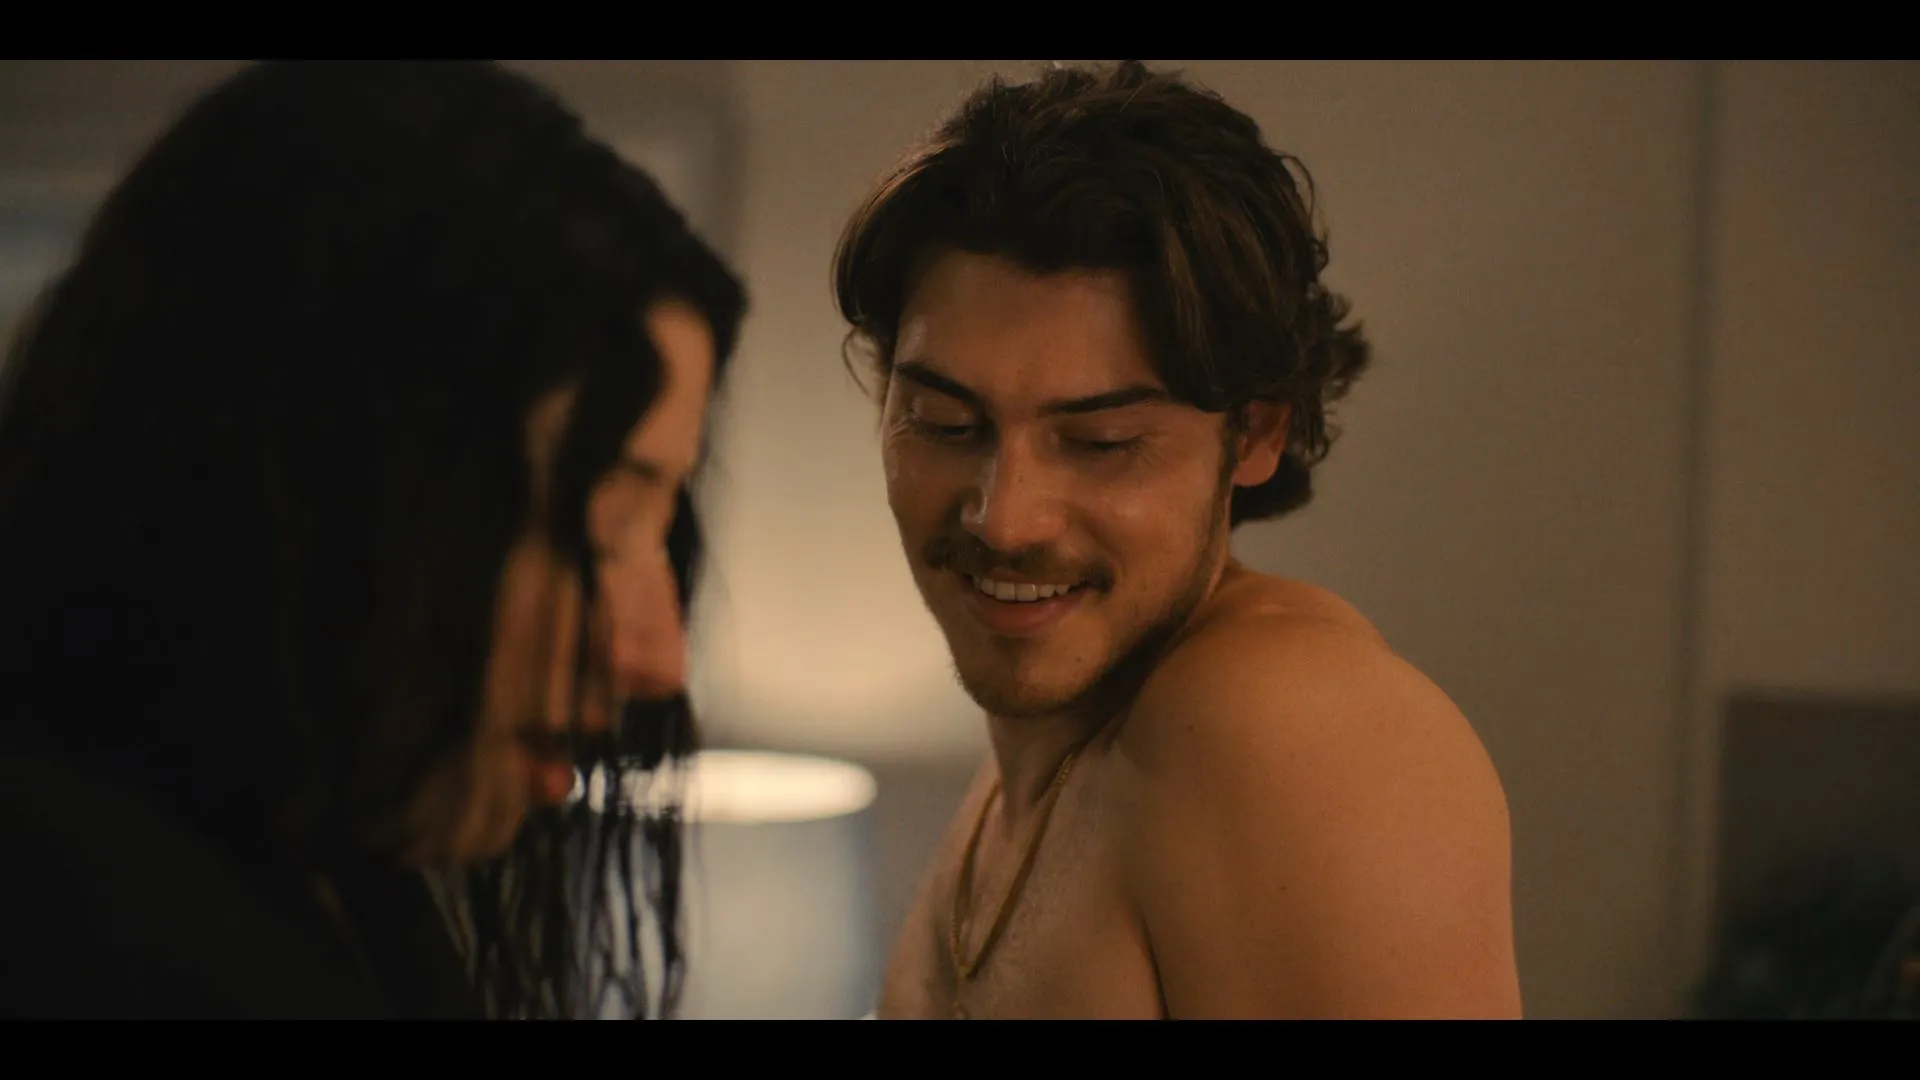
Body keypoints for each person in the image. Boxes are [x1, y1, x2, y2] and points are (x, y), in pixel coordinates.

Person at [0, 60, 745, 1019]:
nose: (657, 657)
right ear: (327, 475)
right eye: (600, 527)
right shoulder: (93, 940)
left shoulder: (325, 876)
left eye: (661, 532)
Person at [833, 60, 1522, 1019]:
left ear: (1259, 433)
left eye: (1103, 442)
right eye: (947, 424)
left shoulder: (1287, 726)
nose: (1005, 518)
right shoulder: (1042, 747)